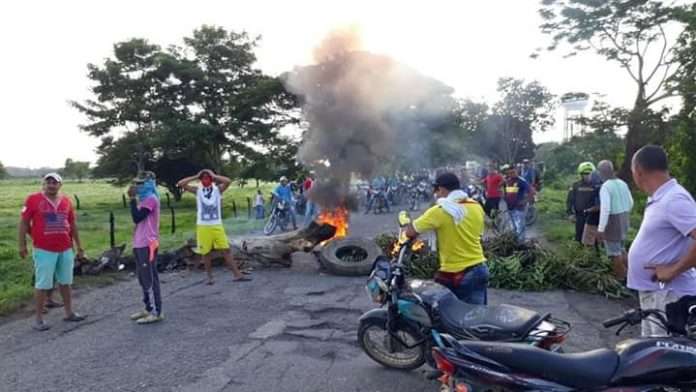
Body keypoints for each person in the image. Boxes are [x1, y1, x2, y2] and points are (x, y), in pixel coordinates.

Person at [627, 145, 696, 337]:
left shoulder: (674, 199)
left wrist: (673, 270)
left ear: (638, 171)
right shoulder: (661, 198)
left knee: (666, 361)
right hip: (655, 294)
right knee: (650, 356)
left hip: (670, 296)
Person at [403, 172, 488, 304]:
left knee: (449, 316)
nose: (436, 194)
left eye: (436, 190)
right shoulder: (476, 206)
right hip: (479, 269)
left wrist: (405, 220)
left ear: (441, 189)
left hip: (458, 274)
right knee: (477, 318)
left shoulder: (441, 210)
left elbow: (410, 232)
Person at [18, 173, 86, 331]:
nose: (51, 185)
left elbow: (72, 224)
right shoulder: (33, 199)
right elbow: (24, 223)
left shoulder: (66, 201)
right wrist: (22, 245)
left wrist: (79, 246)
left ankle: (69, 313)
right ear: (44, 184)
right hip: (44, 249)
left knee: (66, 282)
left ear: (60, 185)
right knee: (42, 283)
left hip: (65, 247)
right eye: (48, 182)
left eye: (54, 182)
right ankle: (38, 320)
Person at [177, 170, 252, 285]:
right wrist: (196, 175)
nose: (205, 180)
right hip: (203, 226)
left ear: (211, 179)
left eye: (208, 178)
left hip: (217, 224)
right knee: (205, 253)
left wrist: (214, 175)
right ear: (201, 180)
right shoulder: (198, 191)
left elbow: (228, 181)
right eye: (203, 178)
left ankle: (237, 274)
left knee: (226, 250)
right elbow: (181, 183)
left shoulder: (217, 190)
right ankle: (209, 277)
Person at [127, 171, 164, 324]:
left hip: (148, 243)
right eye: (136, 183)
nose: (137, 186)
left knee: (150, 277)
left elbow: (137, 217)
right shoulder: (144, 199)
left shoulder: (150, 199)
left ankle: (157, 311)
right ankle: (148, 307)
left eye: (140, 184)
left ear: (149, 183)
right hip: (139, 242)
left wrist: (131, 200)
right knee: (143, 277)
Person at [596, 160, 634, 280]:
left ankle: (621, 278)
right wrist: (624, 212)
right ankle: (632, 276)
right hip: (624, 218)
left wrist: (601, 229)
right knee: (622, 249)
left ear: (601, 172)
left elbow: (605, 209)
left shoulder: (605, 187)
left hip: (613, 222)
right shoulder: (622, 183)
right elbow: (631, 202)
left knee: (614, 253)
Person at [566, 162, 601, 246]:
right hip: (580, 216)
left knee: (593, 241)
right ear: (581, 175)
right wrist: (570, 214)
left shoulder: (598, 186)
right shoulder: (575, 185)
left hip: (593, 217)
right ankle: (581, 256)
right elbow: (569, 201)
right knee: (579, 238)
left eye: (589, 173)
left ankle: (595, 257)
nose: (587, 175)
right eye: (585, 173)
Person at [502, 165, 530, 240]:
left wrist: (524, 201)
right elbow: (505, 191)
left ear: (517, 171)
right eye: (510, 173)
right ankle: (515, 241)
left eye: (513, 172)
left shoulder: (521, 181)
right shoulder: (507, 181)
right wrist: (505, 197)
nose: (512, 174)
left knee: (520, 227)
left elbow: (531, 192)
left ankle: (521, 243)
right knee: (513, 227)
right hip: (510, 207)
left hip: (519, 208)